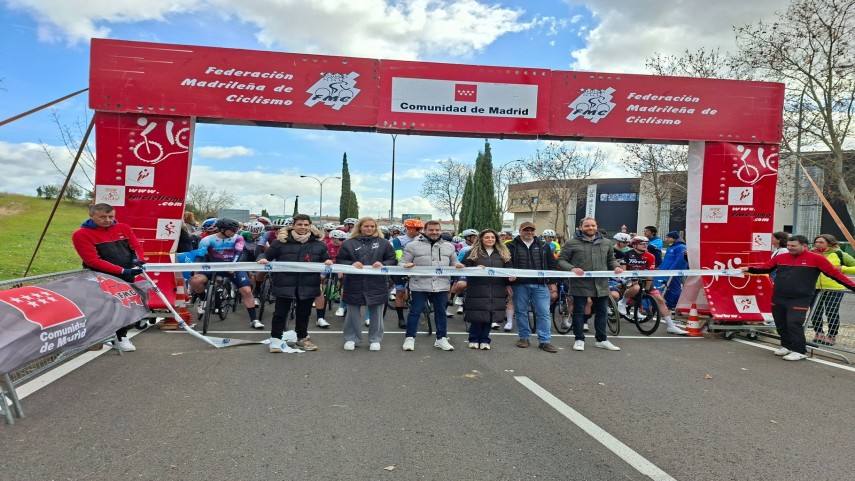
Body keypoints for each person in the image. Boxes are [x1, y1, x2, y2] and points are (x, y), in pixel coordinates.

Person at [742, 235, 855, 361]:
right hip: (779, 296)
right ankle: (786, 346)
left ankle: (799, 350)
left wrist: (853, 287)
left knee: (794, 323)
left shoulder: (816, 259)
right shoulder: (781, 257)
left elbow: (835, 274)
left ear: (804, 246)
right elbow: (764, 268)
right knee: (781, 323)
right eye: (789, 245)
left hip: (800, 298)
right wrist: (749, 269)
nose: (790, 248)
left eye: (793, 246)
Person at [71, 203, 145, 352]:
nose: (108, 220)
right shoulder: (81, 234)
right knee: (105, 308)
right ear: (92, 216)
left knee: (126, 306)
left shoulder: (124, 228)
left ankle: (121, 336)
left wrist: (136, 263)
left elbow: (135, 247)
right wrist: (122, 271)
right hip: (101, 277)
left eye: (111, 216)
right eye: (103, 217)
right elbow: (92, 260)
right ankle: (98, 337)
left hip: (127, 275)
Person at [258, 214, 330, 352]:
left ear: (310, 226)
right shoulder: (280, 243)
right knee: (280, 313)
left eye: (306, 225)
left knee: (304, 313)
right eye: (299, 224)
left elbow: (326, 260)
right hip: (284, 283)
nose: (303, 227)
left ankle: (302, 338)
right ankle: (275, 339)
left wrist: (328, 262)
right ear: (293, 226)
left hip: (308, 284)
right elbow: (266, 255)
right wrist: (262, 259)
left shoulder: (319, 245)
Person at [558, 217, 623, 352]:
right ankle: (579, 339)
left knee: (602, 312)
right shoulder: (571, 243)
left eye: (593, 225)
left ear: (597, 226)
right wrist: (572, 268)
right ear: (581, 227)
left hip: (601, 285)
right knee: (579, 312)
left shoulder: (606, 243)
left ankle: (601, 340)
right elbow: (561, 260)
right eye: (587, 226)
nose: (590, 228)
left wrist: (616, 267)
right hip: (580, 284)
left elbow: (611, 260)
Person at [399, 220, 463, 351]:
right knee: (415, 312)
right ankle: (410, 338)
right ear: (424, 230)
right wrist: (406, 266)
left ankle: (441, 339)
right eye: (431, 230)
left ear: (441, 231)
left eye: (437, 230)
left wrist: (458, 266)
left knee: (441, 313)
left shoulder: (449, 246)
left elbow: (454, 263)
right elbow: (402, 263)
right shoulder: (412, 246)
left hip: (441, 284)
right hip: (419, 284)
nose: (434, 232)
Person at [189, 218, 264, 330]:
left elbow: (238, 253)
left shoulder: (238, 238)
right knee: (195, 281)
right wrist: (195, 269)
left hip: (233, 266)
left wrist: (232, 266)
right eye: (233, 230)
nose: (235, 232)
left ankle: (254, 319)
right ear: (223, 230)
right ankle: (203, 300)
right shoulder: (207, 239)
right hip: (214, 266)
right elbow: (199, 256)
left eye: (236, 230)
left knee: (247, 291)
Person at [336, 217, 396, 351]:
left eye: (372, 226)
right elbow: (340, 259)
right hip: (354, 282)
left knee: (377, 312)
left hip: (377, 283)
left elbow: (392, 260)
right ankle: (351, 338)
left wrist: (383, 264)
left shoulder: (384, 243)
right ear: (360, 227)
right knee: (352, 313)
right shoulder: (348, 243)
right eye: (366, 226)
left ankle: (375, 339)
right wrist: (351, 264)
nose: (369, 229)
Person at [618, 236, 687, 335]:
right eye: (642, 243)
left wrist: (647, 288)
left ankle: (671, 326)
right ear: (635, 245)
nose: (645, 245)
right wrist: (632, 280)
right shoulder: (627, 254)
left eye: (646, 243)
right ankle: (623, 302)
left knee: (660, 300)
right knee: (636, 287)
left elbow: (650, 273)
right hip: (627, 277)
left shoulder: (650, 256)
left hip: (644, 279)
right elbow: (623, 271)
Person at [507, 221, 559, 353]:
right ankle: (524, 338)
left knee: (544, 313)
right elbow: (506, 265)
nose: (529, 232)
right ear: (520, 231)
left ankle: (545, 341)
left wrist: (552, 282)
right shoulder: (511, 246)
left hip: (540, 284)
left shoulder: (544, 245)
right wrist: (507, 283)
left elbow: (551, 264)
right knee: (520, 312)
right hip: (519, 285)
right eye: (526, 230)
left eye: (532, 230)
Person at [460, 229, 513, 349]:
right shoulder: (472, 252)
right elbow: (464, 266)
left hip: (496, 288)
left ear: (496, 239)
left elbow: (509, 269)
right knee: (477, 314)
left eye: (492, 238)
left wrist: (509, 281)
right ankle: (473, 338)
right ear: (481, 239)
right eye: (487, 237)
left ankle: (485, 339)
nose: (490, 240)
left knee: (490, 315)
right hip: (477, 288)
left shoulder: (503, 253)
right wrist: (474, 268)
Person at [809, 234, 855, 346]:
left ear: (830, 243)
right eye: (816, 242)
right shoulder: (811, 253)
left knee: (831, 312)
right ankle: (818, 333)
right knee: (815, 312)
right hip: (814, 288)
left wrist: (843, 268)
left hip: (834, 288)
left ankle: (831, 336)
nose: (818, 244)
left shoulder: (839, 254)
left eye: (821, 242)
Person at [390, 218, 424, 328]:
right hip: (402, 268)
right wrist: (406, 265)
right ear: (408, 229)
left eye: (421, 229)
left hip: (418, 268)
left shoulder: (423, 239)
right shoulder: (398, 240)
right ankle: (401, 318)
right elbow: (399, 255)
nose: (420, 231)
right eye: (417, 229)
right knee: (400, 293)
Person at [658, 231, 688, 309]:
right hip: (666, 272)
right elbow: (666, 260)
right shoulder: (671, 247)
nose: (666, 239)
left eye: (668, 237)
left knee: (674, 288)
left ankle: (675, 305)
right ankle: (670, 304)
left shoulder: (681, 247)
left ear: (674, 238)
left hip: (674, 272)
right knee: (667, 288)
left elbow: (680, 260)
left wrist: (672, 270)